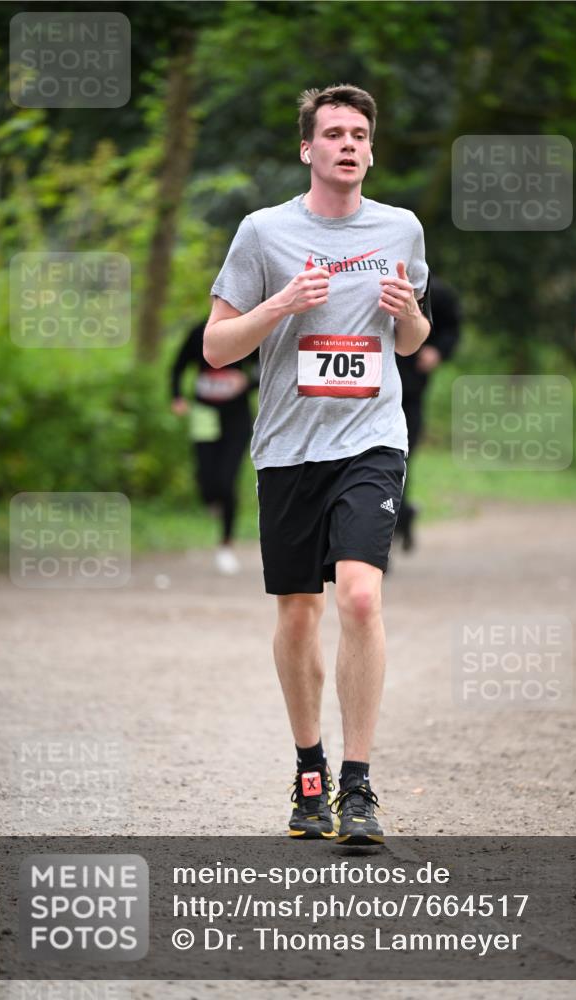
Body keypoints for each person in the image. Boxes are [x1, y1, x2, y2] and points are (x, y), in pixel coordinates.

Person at [204, 84, 432, 845]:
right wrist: (280, 307)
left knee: (361, 600)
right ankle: (310, 773)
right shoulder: (263, 233)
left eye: (358, 133)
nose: (346, 143)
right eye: (332, 132)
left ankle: (358, 788)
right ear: (307, 148)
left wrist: (407, 316)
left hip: (371, 440)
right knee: (299, 611)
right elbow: (216, 346)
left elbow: (408, 341)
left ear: (370, 149)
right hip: (288, 448)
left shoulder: (400, 228)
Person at [170, 320, 257, 574]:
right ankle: (213, 500)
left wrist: (246, 382)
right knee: (206, 478)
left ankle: (226, 545)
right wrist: (176, 396)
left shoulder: (250, 328)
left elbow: (264, 369)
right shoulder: (199, 331)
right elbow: (178, 366)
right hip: (204, 414)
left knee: (227, 480)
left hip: (237, 418)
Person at [395, 275, 461, 549]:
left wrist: (437, 352)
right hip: (362, 395)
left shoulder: (434, 291)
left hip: (409, 393)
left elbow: (452, 329)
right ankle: (402, 516)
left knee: (399, 462)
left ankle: (395, 525)